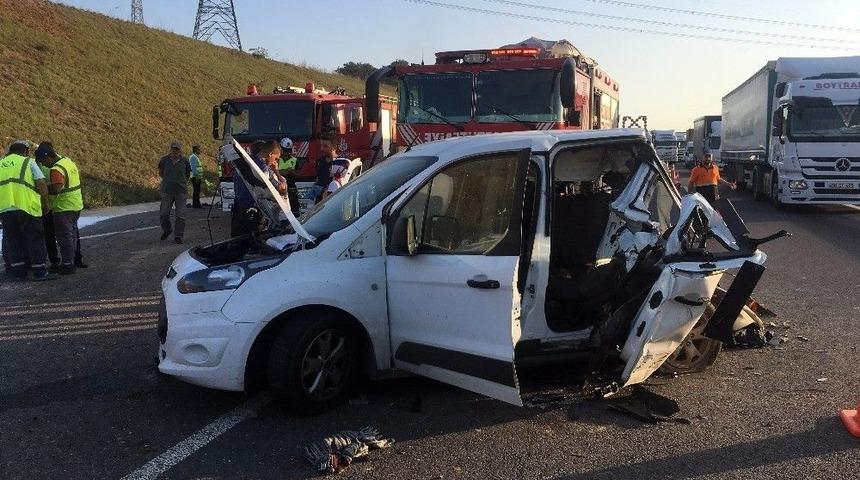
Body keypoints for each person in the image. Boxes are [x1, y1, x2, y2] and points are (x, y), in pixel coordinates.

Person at [0, 140, 54, 281]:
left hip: (5, 209)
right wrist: (45, 204)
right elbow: (41, 184)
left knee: (13, 240)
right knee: (35, 238)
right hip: (27, 207)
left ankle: (19, 273)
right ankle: (39, 271)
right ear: (25, 151)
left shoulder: (0, 163)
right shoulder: (28, 162)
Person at [36, 143, 86, 274]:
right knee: (72, 235)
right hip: (75, 204)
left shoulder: (56, 169)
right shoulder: (68, 162)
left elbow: (57, 187)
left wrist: (43, 188)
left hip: (63, 207)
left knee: (64, 237)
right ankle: (72, 261)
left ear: (47, 157)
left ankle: (67, 264)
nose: (44, 165)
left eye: (43, 161)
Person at [231, 140, 286, 237]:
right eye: (276, 158)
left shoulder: (244, 165)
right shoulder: (264, 170)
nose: (275, 162)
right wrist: (276, 171)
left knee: (238, 241)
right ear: (270, 154)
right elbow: (282, 189)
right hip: (253, 215)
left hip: (239, 211)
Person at [158, 141, 191, 244]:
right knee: (164, 213)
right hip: (167, 191)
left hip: (181, 191)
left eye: (177, 149)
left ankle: (178, 236)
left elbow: (187, 174)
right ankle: (167, 230)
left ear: (180, 150)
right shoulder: (164, 160)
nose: (175, 151)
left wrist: (181, 182)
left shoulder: (185, 161)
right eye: (173, 149)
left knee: (180, 214)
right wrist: (168, 180)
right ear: (170, 149)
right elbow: (161, 173)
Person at [35, 150, 60, 270]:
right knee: (53, 235)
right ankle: (58, 261)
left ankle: (52, 261)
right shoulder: (54, 165)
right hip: (50, 206)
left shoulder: (35, 166)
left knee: (47, 236)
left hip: (45, 206)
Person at [278, 137, 300, 215]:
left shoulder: (295, 160)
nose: (286, 153)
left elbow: (298, 173)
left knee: (294, 207)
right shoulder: (277, 159)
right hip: (280, 187)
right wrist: (284, 172)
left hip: (291, 187)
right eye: (284, 151)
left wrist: (291, 172)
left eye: (287, 151)